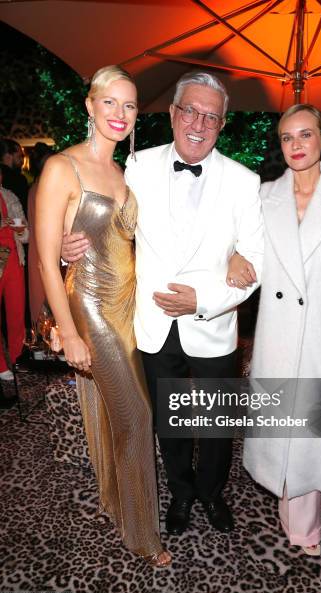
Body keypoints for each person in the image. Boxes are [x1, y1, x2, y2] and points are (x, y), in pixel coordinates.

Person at [62, 71, 264, 536]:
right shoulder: (136, 166)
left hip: (213, 326)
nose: (199, 123)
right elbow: (101, 218)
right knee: (169, 423)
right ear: (172, 114)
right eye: (190, 110)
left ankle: (212, 493)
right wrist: (65, 246)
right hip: (151, 325)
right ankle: (181, 492)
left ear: (223, 124)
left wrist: (205, 298)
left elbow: (256, 260)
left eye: (211, 116)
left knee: (215, 427)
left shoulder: (243, 180)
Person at [228, 104, 321, 556]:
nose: (296, 145)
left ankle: (306, 522)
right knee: (288, 433)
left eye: (306, 135)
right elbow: (245, 251)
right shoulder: (264, 198)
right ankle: (307, 504)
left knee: (314, 438)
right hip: (277, 338)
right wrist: (235, 256)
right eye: (287, 137)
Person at [35, 65, 171, 567]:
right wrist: (68, 331)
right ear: (90, 106)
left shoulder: (125, 174)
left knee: (123, 414)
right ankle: (143, 535)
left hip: (129, 307)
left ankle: (120, 503)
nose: (120, 113)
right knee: (138, 415)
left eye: (130, 105)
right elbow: (48, 258)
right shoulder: (61, 168)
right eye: (110, 102)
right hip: (90, 305)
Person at [0, 164, 28, 381]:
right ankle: (1, 365)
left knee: (17, 312)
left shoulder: (9, 196)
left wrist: (22, 230)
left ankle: (18, 356)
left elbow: (25, 234)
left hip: (14, 258)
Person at [27, 143, 55, 325]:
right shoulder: (47, 189)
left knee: (40, 294)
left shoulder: (34, 187)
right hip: (49, 248)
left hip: (37, 247)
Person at [0, 139, 29, 213]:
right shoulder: (19, 179)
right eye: (19, 157)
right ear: (8, 156)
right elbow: (24, 208)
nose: (22, 161)